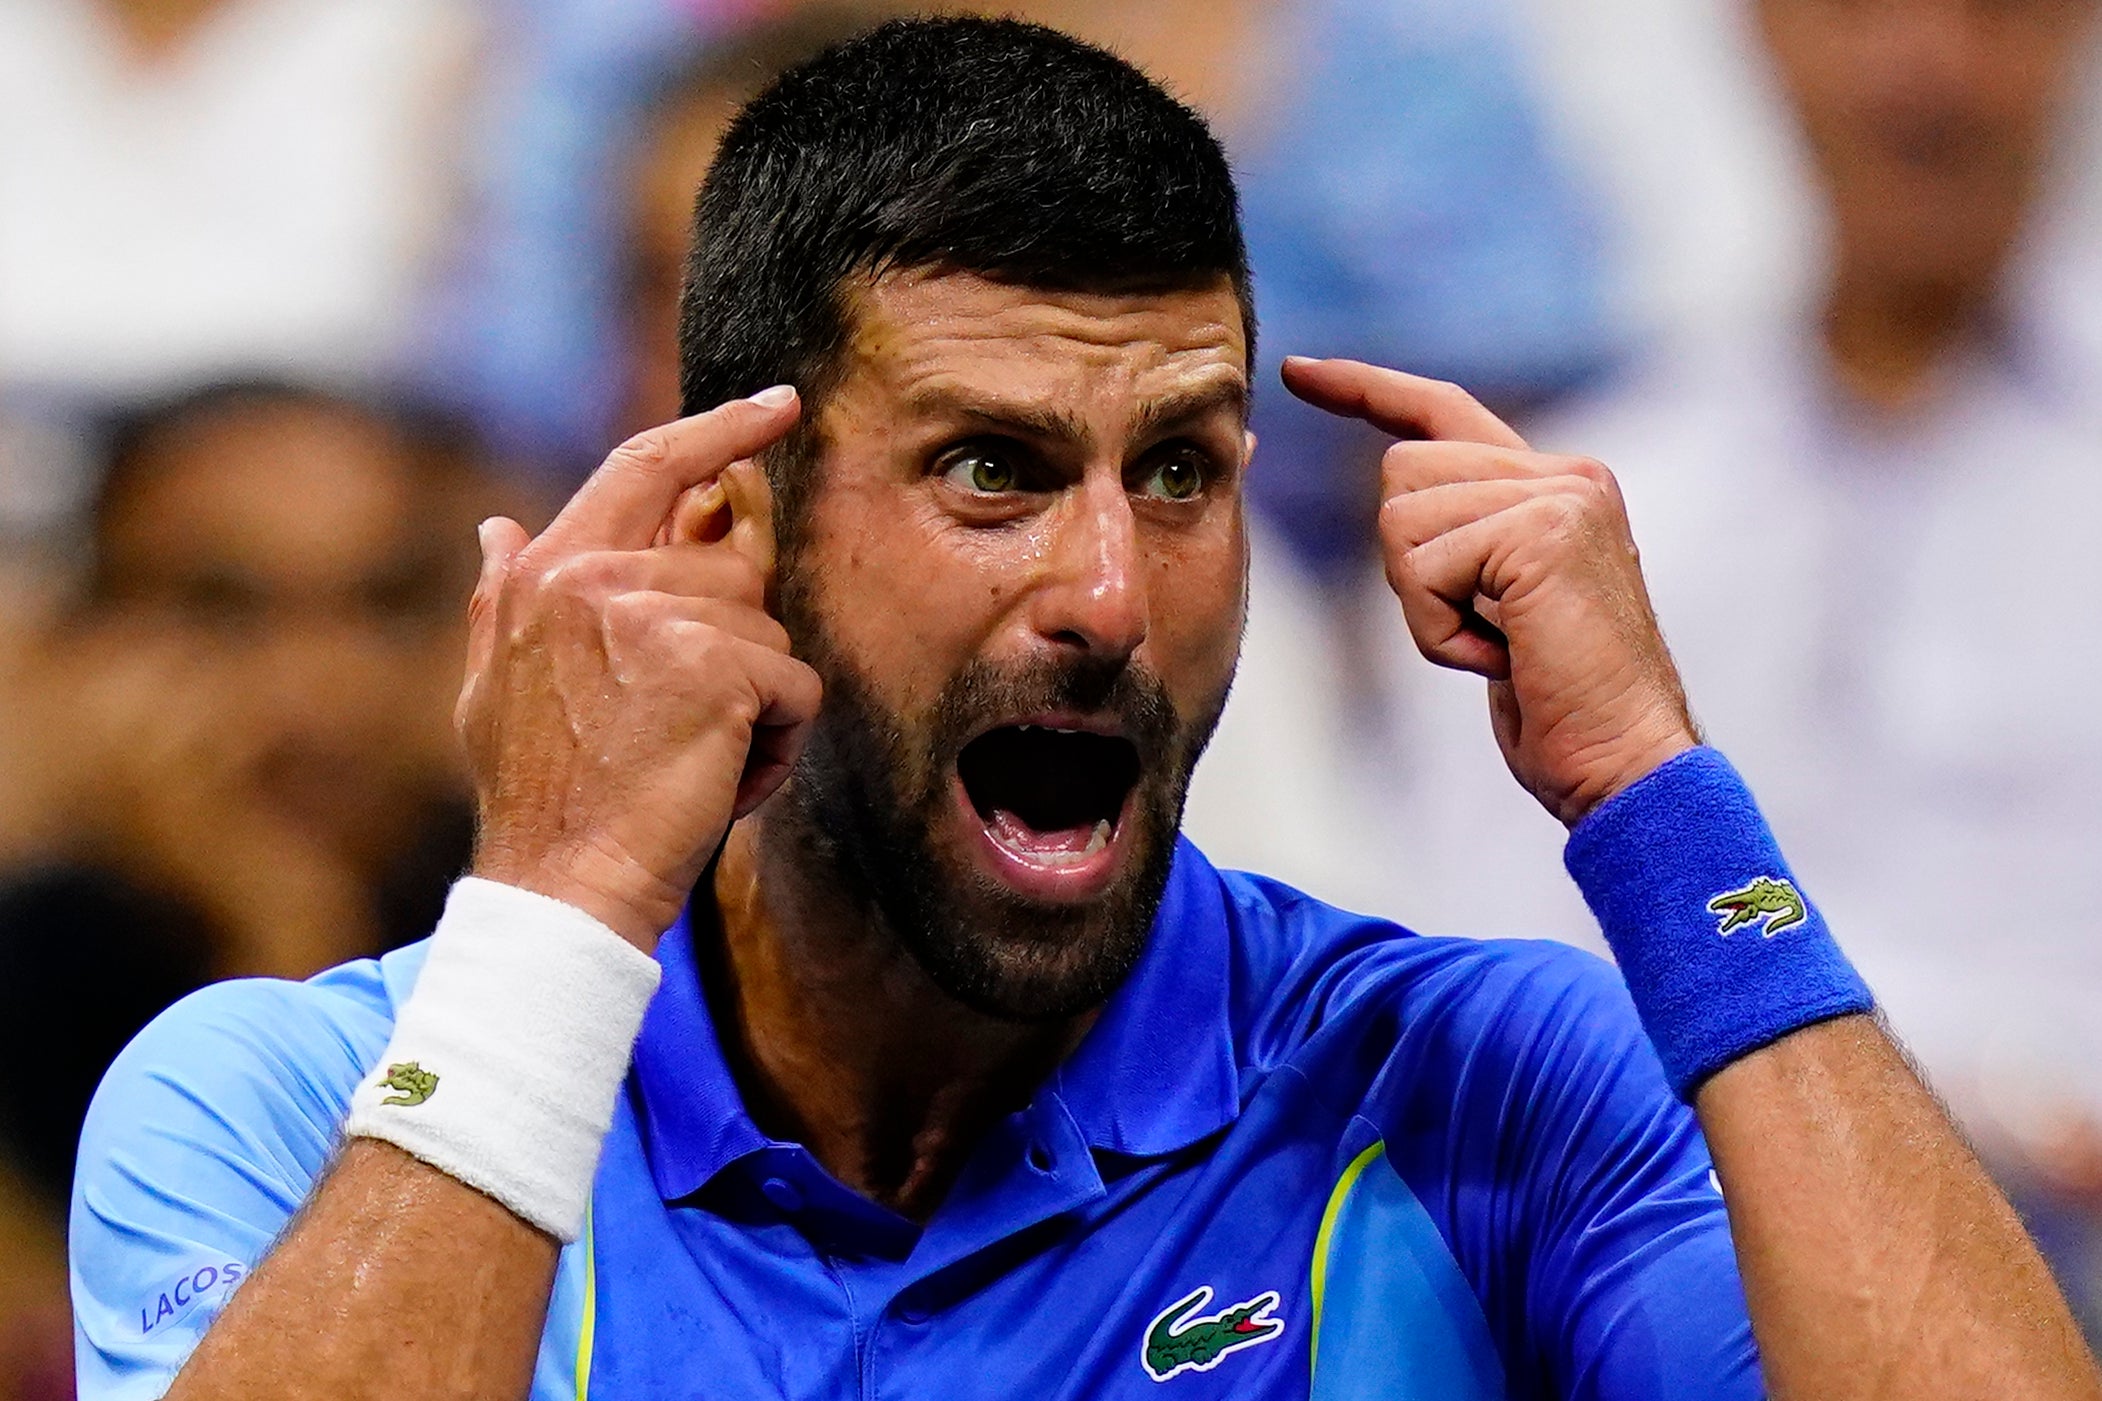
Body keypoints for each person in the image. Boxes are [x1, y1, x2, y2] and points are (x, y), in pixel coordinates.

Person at [67, 19, 2099, 1399]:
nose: (1112, 595)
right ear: (729, 519)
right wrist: (560, 898)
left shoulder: (1478, 1092)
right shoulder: (267, 1108)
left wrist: (1661, 794)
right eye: (992, 469)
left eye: (1186, 466)